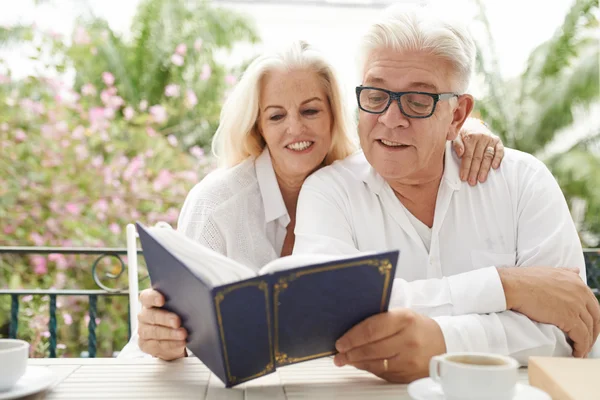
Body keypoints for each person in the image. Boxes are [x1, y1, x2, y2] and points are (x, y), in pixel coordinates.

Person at [118, 40, 508, 360]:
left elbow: (418, 121)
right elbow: (180, 329)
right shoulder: (216, 204)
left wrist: (466, 129)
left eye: (310, 111)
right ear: (258, 127)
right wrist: (165, 340)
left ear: (335, 115)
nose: (295, 129)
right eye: (275, 116)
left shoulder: (365, 179)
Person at [291, 5, 600, 383]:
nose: (391, 118)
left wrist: (441, 341)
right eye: (375, 96)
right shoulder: (329, 193)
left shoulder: (523, 182)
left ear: (457, 114)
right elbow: (328, 311)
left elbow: (568, 330)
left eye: (418, 102)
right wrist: (507, 287)